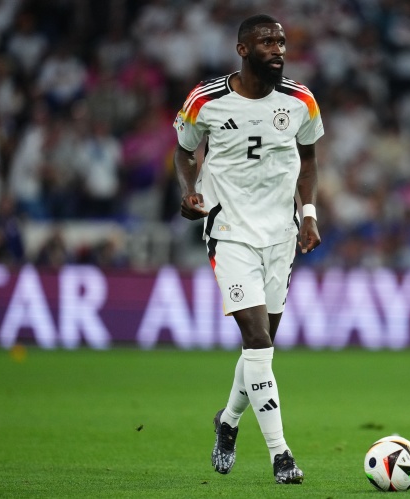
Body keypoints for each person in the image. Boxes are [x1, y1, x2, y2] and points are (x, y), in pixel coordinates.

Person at [172, 14, 323, 484]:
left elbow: (309, 160)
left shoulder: (300, 100)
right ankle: (281, 454)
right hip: (230, 231)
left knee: (262, 347)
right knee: (257, 340)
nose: (278, 49)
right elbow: (184, 150)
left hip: (280, 234)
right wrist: (190, 191)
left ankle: (229, 420)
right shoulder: (205, 100)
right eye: (267, 42)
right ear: (242, 49)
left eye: (281, 41)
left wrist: (310, 213)